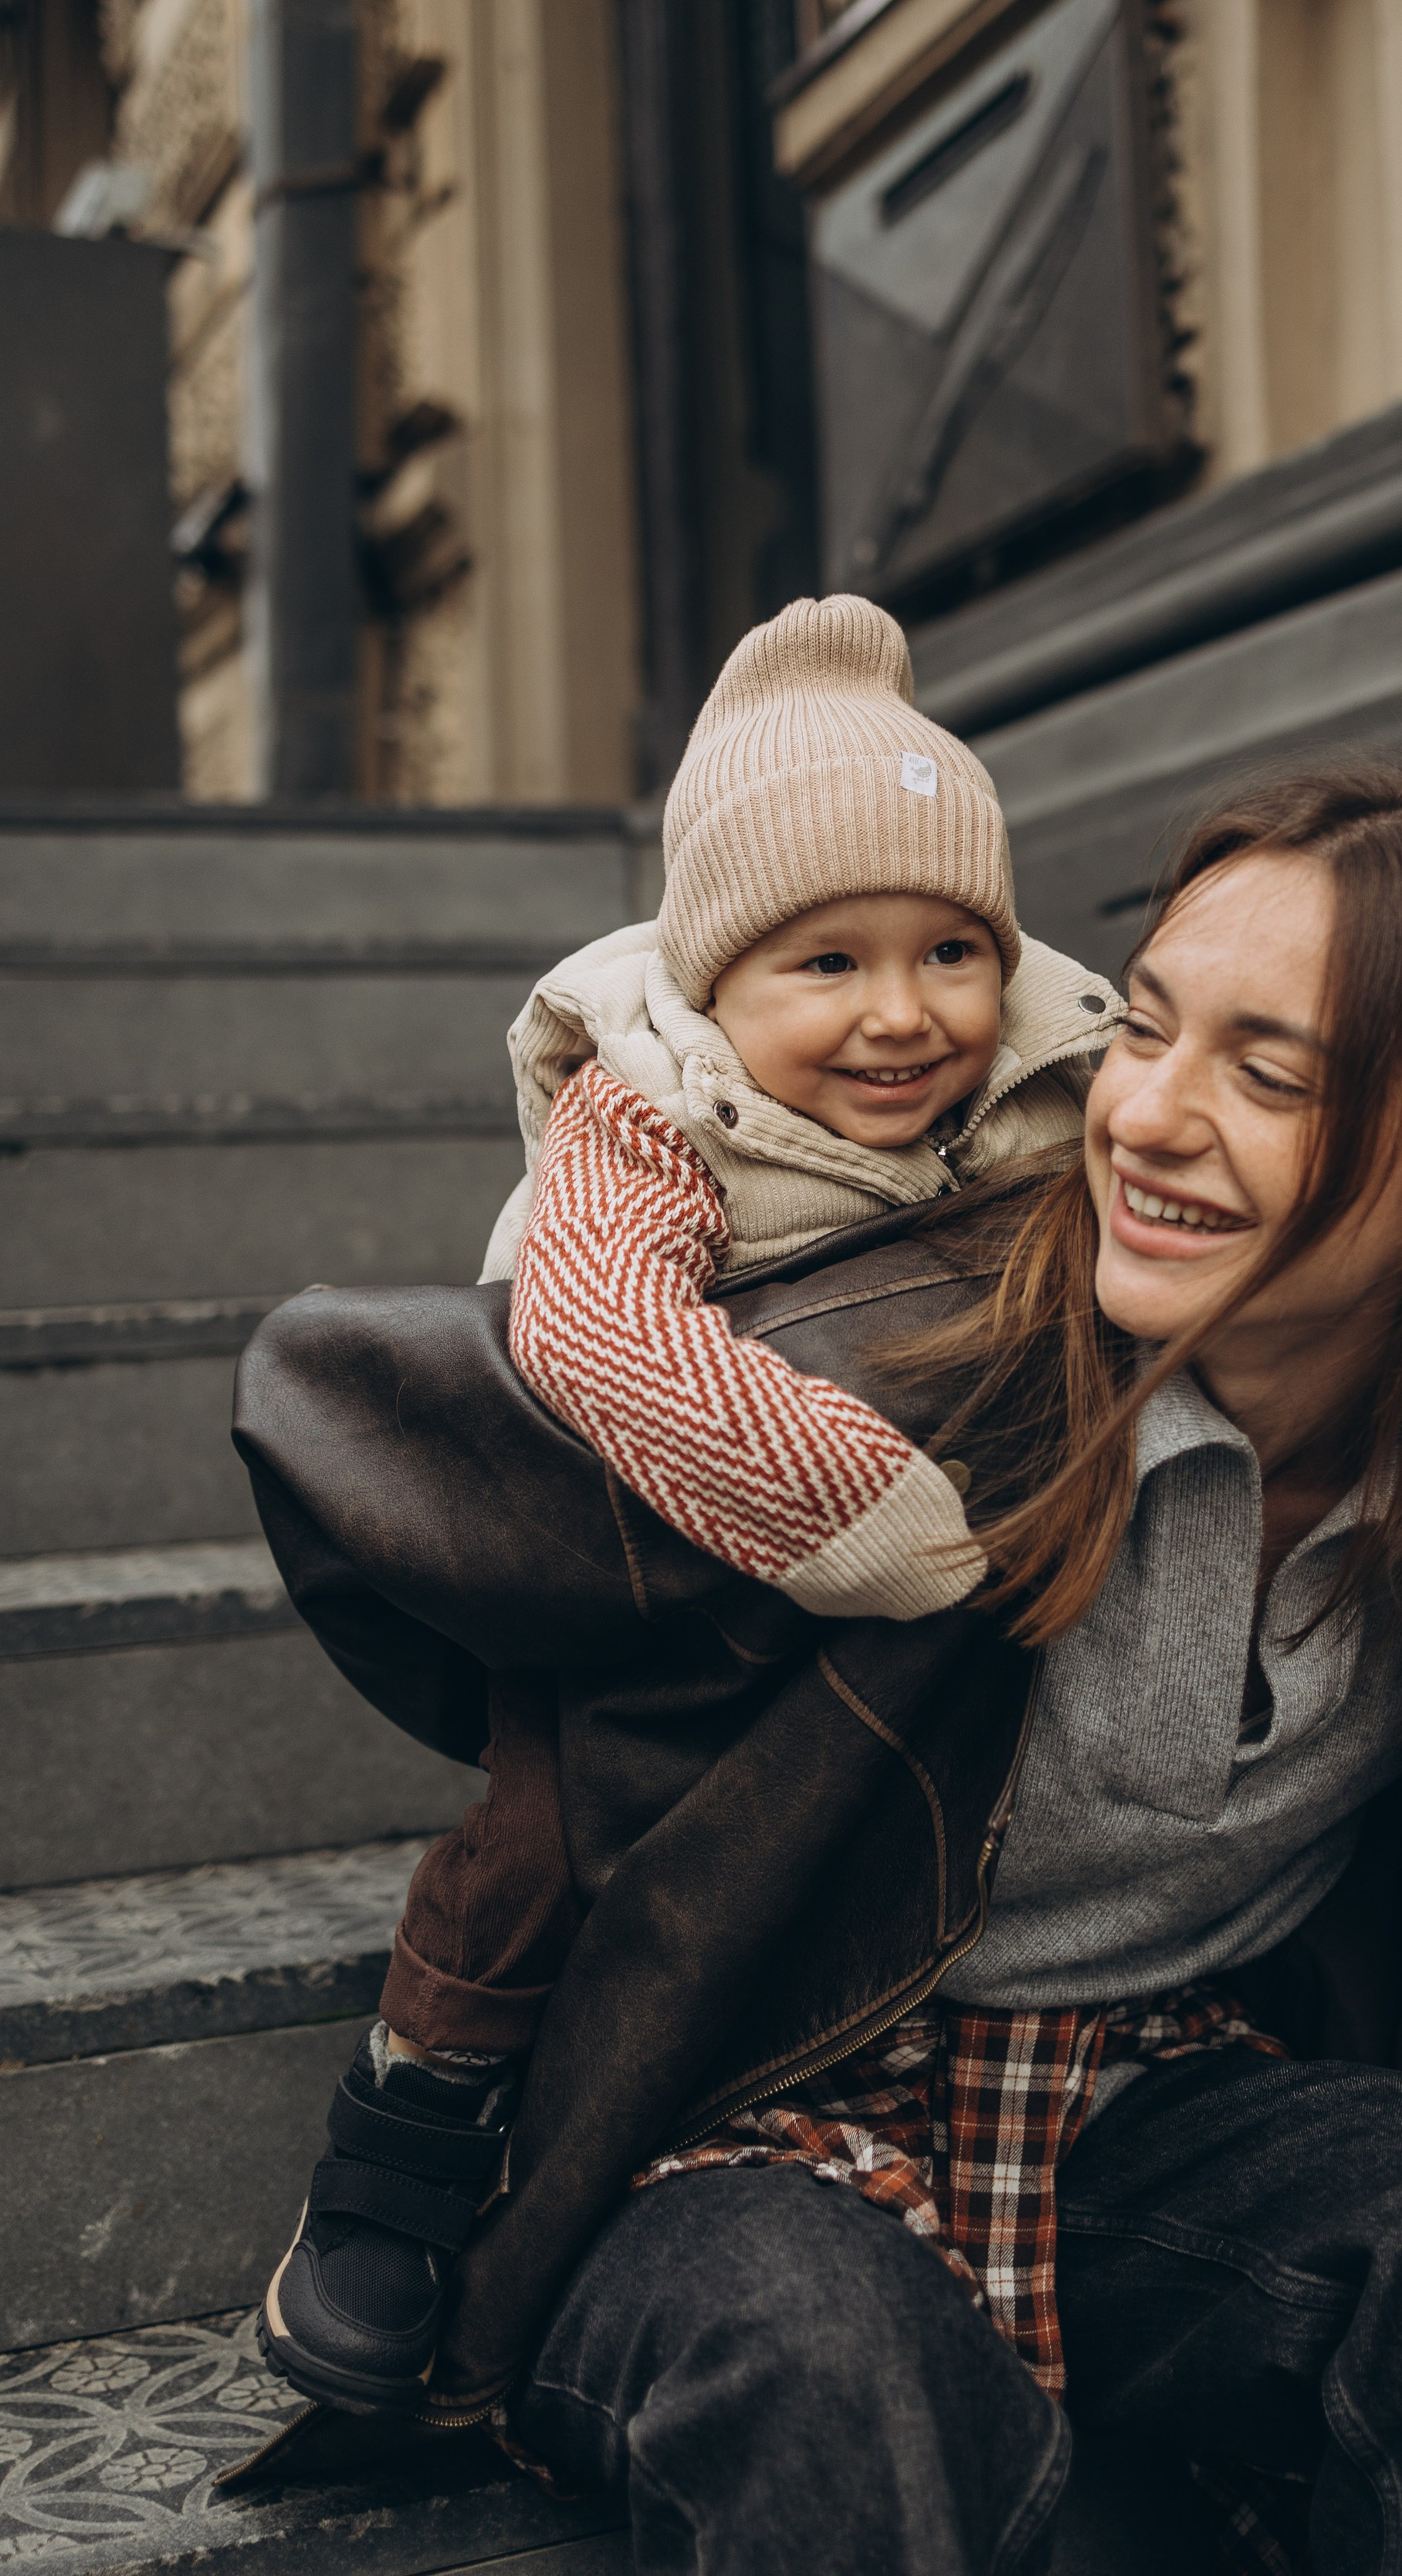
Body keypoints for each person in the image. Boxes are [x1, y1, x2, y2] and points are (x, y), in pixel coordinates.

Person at [235, 753, 1402, 2576]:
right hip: (739, 2130)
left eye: (1266, 1073)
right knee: (816, 2353)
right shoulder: (917, 1358)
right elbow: (326, 1405)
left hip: (1146, 2104)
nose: (1141, 1115)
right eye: (1140, 1030)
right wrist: (610, 1718)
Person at [256, 593, 1121, 2416]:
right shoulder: (645, 1109)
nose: (904, 1016)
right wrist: (844, 1504)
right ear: (714, 979)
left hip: (864, 1640)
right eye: (826, 965)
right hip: (632, 1530)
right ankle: (415, 2125)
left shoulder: (1054, 1069)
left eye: (953, 948)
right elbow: (599, 1328)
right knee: (531, 1838)